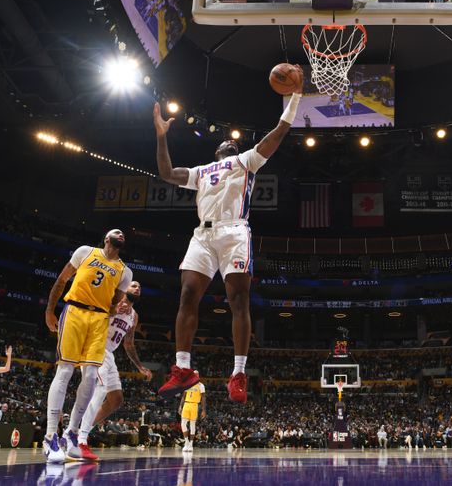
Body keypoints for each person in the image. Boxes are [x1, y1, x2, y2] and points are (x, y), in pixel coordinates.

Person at [153, 69, 304, 402]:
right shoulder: (201, 172)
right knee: (188, 295)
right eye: (226, 142)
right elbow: (165, 173)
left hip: (234, 231)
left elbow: (280, 130)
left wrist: (295, 97)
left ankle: (238, 373)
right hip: (202, 236)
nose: (230, 142)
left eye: (234, 142)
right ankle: (183, 369)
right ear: (216, 150)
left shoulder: (246, 162)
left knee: (237, 300)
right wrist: (162, 136)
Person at [43, 229, 133, 463]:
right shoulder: (85, 252)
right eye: (115, 232)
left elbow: (113, 305)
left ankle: (71, 435)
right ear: (105, 238)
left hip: (100, 319)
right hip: (74, 311)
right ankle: (50, 436)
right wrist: (49, 310)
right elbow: (62, 280)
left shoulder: (125, 271)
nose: (120, 233)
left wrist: (119, 309)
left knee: (92, 376)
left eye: (122, 233)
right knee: (65, 370)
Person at [78, 281, 151, 460]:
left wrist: (139, 366)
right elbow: (93, 315)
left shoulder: (134, 316)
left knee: (116, 399)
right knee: (101, 389)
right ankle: (80, 439)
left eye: (139, 287)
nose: (137, 288)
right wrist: (114, 308)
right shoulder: (112, 300)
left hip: (109, 353)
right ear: (124, 288)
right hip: (95, 347)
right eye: (133, 285)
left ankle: (82, 428)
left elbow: (128, 343)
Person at [179, 380, 206, 452]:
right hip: (186, 404)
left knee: (192, 425)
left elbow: (203, 398)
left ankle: (191, 444)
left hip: (195, 405)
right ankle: (186, 442)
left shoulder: (201, 385)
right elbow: (183, 396)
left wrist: (203, 410)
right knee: (183, 424)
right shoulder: (187, 383)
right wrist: (180, 406)